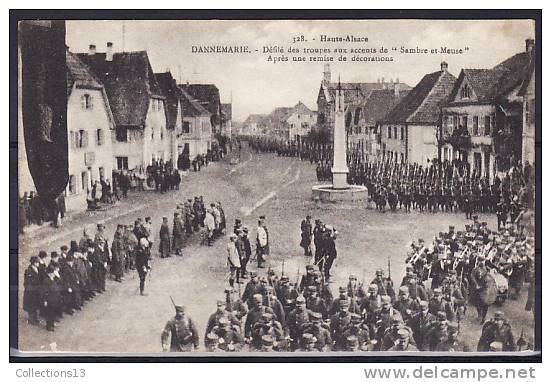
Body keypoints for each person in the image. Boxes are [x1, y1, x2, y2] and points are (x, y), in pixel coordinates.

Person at [41, 265, 63, 331]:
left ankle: (52, 324)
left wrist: (58, 276)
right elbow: (44, 291)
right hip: (49, 299)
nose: (53, 274)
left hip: (55, 298)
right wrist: (45, 300)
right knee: (49, 313)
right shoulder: (46, 281)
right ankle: (49, 326)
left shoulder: (54, 279)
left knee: (53, 312)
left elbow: (61, 282)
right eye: (52, 273)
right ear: (49, 273)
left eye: (53, 273)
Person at [23, 256, 42, 325]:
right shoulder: (28, 271)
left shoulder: (36, 269)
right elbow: (27, 283)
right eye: (37, 262)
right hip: (30, 292)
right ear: (33, 263)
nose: (38, 264)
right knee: (31, 306)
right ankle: (31, 320)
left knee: (35, 305)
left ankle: (35, 319)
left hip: (35, 291)